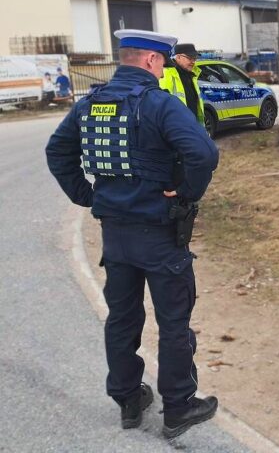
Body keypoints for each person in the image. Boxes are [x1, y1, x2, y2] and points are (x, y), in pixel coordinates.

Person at [45, 29, 220, 438]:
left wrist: (87, 195)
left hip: (115, 237)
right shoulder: (159, 104)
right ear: (151, 61)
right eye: (161, 63)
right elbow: (205, 153)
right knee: (174, 321)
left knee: (122, 319)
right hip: (159, 233)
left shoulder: (90, 104)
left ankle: (128, 399)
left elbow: (57, 151)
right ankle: (178, 407)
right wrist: (187, 193)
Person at [158, 43, 205, 125]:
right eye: (190, 58)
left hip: (192, 125)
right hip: (177, 127)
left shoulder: (191, 75)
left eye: (195, 58)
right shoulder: (167, 74)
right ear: (178, 57)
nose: (193, 61)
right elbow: (161, 105)